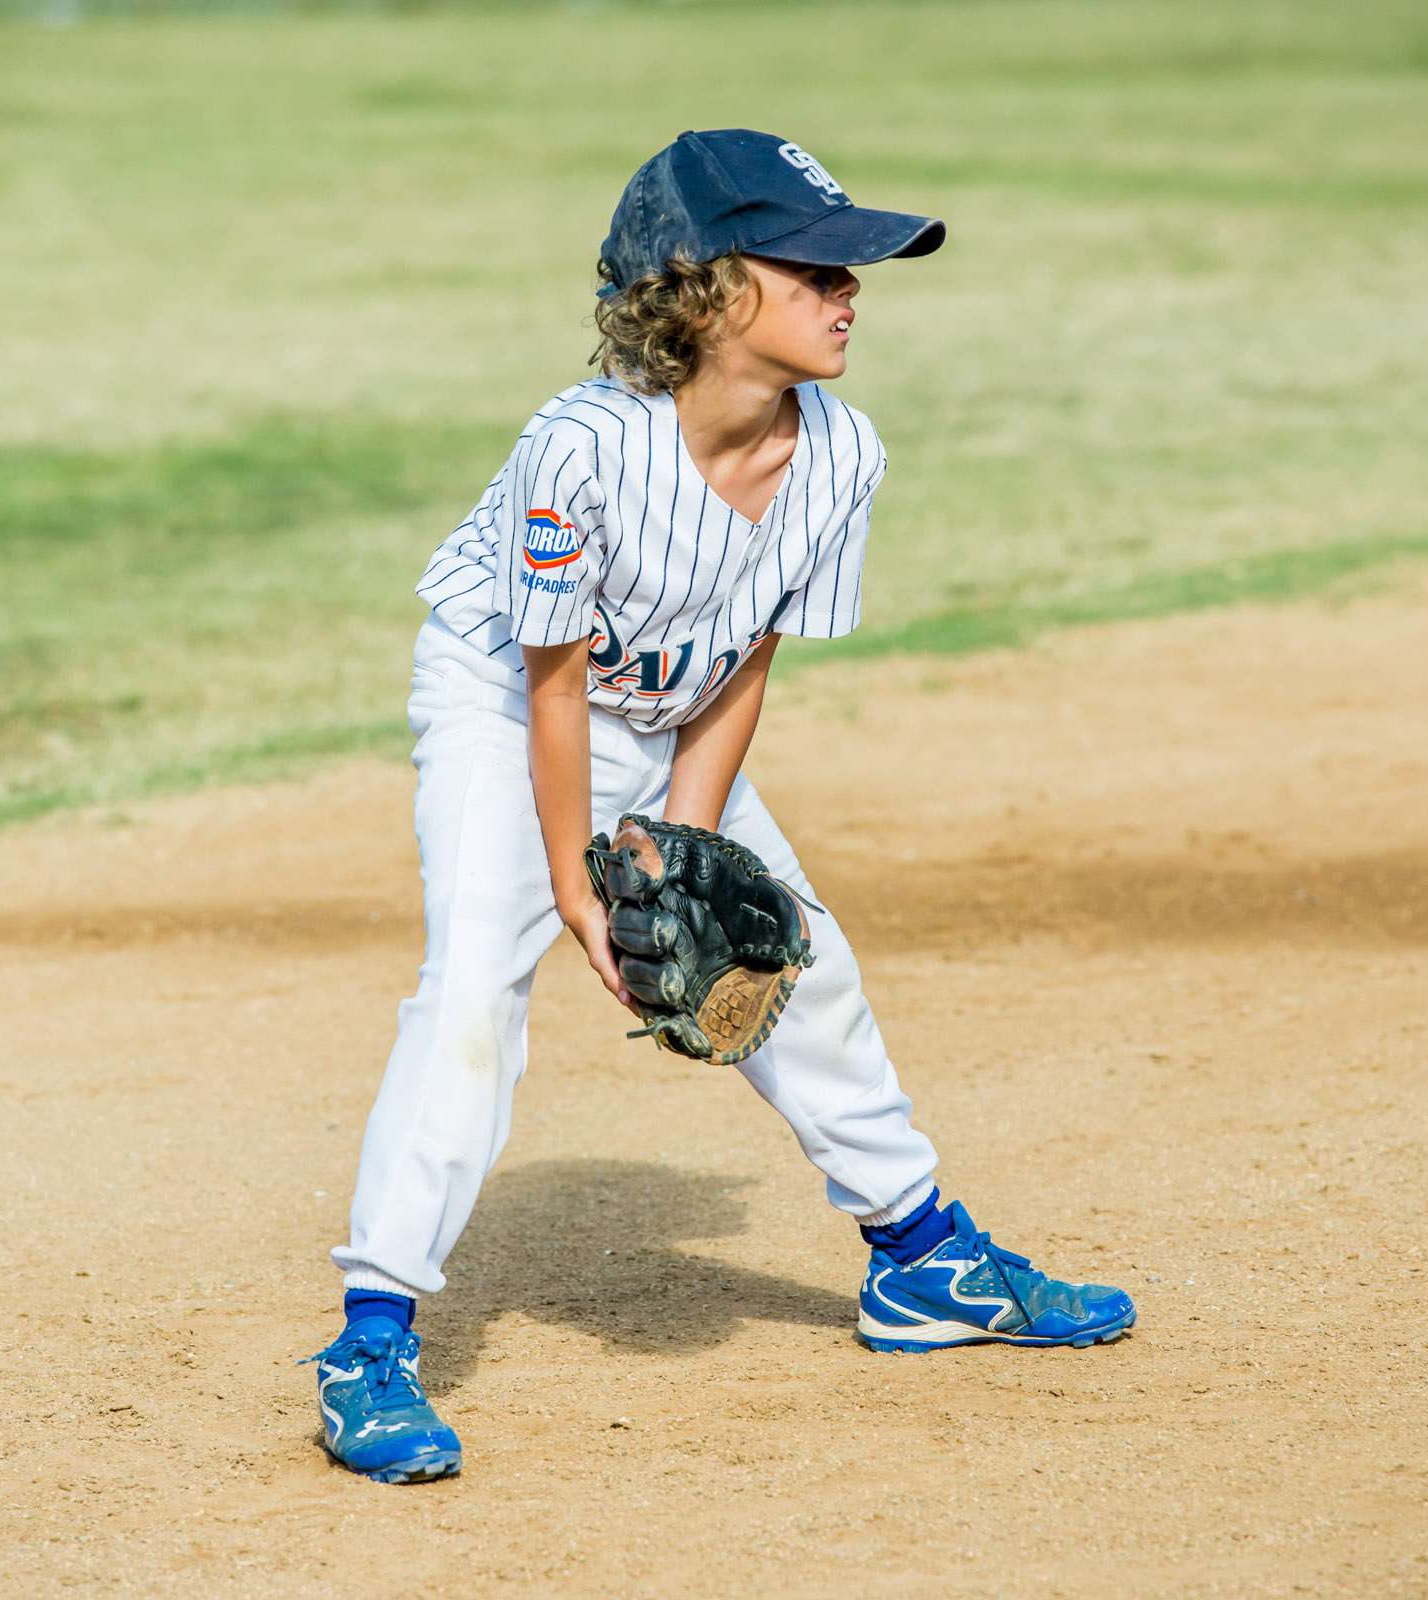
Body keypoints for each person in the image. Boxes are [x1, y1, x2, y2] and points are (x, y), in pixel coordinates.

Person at [309, 130, 1135, 1485]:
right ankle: (370, 1341)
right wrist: (584, 889)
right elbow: (556, 679)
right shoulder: (579, 447)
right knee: (470, 993)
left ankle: (923, 1262)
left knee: (800, 962)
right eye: (813, 264)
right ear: (705, 290)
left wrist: (681, 841)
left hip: (676, 708)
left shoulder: (843, 455)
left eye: (852, 266)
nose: (850, 287)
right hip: (508, 707)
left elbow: (746, 654)